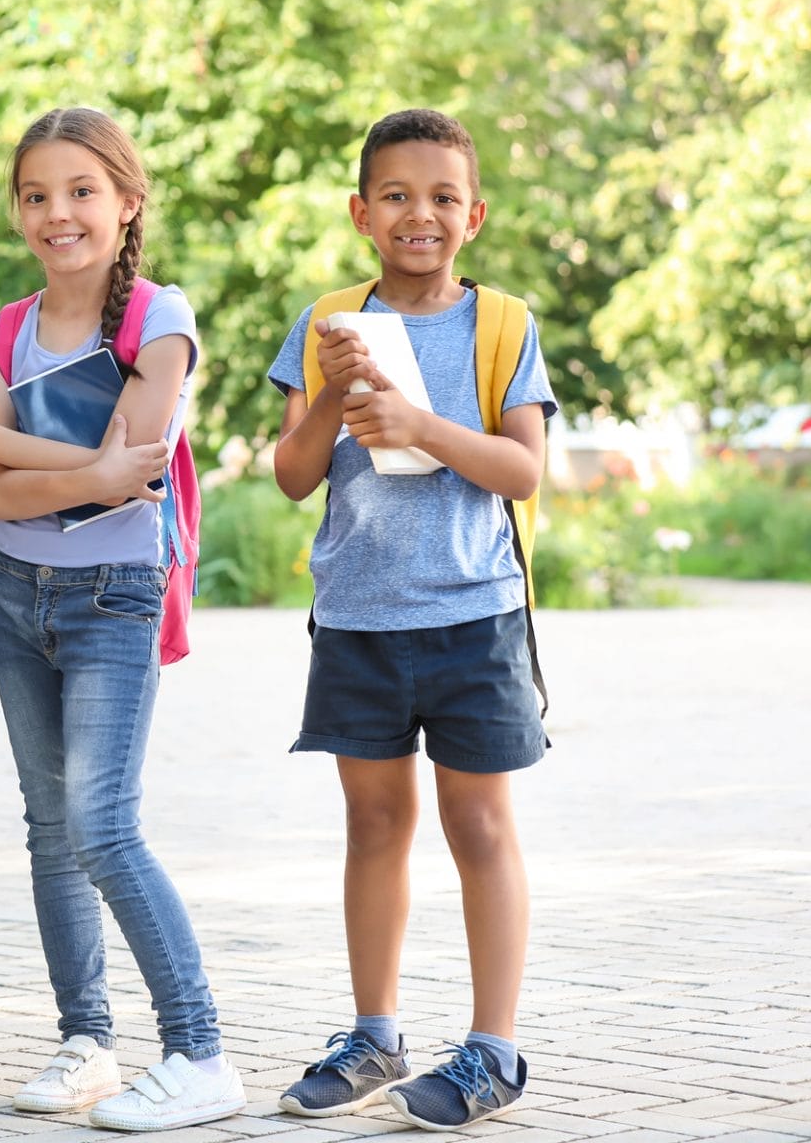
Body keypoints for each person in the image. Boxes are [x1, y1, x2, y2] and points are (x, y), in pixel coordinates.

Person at [0, 107, 243, 1132]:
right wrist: (74, 467)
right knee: (47, 830)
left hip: (114, 598)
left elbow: (134, 476)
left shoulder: (159, 319)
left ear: (126, 202)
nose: (57, 212)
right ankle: (87, 1041)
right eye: (36, 195)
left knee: (102, 824)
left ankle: (200, 1050)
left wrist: (9, 443)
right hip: (17, 600)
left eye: (81, 191)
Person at [268, 108, 555, 1129]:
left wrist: (421, 423)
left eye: (440, 197)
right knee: (374, 822)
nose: (418, 213)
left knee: (479, 824)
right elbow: (294, 473)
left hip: (475, 615)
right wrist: (329, 394)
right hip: (358, 618)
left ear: (472, 214)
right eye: (396, 194)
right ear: (361, 211)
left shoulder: (502, 325)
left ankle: (493, 1048)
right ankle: (376, 1032)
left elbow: (522, 467)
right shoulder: (329, 321)